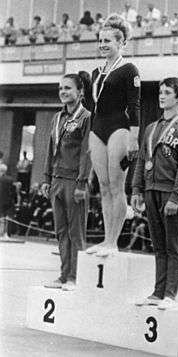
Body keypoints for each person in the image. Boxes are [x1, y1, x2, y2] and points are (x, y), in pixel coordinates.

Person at [132, 77, 178, 309]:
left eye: (167, 92)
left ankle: (170, 294)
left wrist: (176, 196)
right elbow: (141, 160)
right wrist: (137, 189)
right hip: (150, 191)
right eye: (160, 91)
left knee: (174, 246)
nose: (161, 95)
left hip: (170, 194)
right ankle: (157, 292)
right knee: (158, 246)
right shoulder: (151, 128)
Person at [85, 13, 141, 257]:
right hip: (98, 127)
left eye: (108, 41)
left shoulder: (129, 69)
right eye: (100, 41)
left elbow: (135, 105)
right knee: (104, 186)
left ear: (121, 43)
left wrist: (134, 138)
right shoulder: (96, 72)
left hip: (120, 126)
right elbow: (92, 106)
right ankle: (106, 239)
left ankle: (113, 241)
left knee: (117, 186)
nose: (103, 45)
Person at [41, 72, 91, 290]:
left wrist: (82, 182)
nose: (63, 92)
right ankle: (63, 275)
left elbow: (87, 153)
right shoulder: (57, 118)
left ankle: (74, 277)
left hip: (74, 181)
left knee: (75, 232)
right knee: (60, 231)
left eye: (68, 88)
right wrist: (46, 178)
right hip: (56, 181)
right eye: (61, 88)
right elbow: (50, 150)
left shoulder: (87, 117)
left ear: (80, 92)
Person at [0, 164, 15, 238]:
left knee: (1, 217)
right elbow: (13, 191)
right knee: (7, 218)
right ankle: (6, 233)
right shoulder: (10, 179)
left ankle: (1, 232)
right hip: (8, 201)